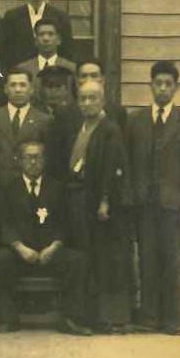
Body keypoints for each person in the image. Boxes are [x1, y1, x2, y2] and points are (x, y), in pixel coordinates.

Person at [126, 61, 180, 337]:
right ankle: (149, 317)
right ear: (150, 86)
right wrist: (130, 198)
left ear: (176, 88)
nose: (162, 89)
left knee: (171, 260)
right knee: (147, 258)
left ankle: (172, 320)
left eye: (168, 84)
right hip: (144, 202)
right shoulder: (136, 120)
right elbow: (129, 163)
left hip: (173, 203)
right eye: (158, 83)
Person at [0, 141, 91, 335]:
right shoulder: (8, 188)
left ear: (44, 160)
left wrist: (54, 246)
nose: (33, 162)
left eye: (37, 157)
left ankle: (70, 319)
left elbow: (65, 222)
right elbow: (4, 223)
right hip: (21, 252)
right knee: (1, 259)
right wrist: (20, 247)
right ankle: (8, 318)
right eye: (28, 157)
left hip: (49, 251)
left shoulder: (57, 187)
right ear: (20, 161)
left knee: (77, 260)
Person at [63, 82, 131, 334]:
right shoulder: (80, 127)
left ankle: (99, 317)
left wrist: (105, 200)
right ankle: (80, 315)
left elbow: (113, 168)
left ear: (102, 101)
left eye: (92, 98)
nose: (87, 103)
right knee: (83, 256)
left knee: (98, 258)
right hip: (78, 199)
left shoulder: (109, 130)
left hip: (97, 201)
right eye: (83, 99)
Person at [0, 0, 75, 70]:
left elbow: (67, 50)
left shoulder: (60, 16)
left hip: (53, 71)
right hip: (19, 71)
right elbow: (5, 50)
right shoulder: (12, 16)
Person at [0, 70, 50, 187]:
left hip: (30, 184)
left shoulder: (44, 120)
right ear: (5, 89)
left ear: (31, 89)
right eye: (13, 85)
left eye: (23, 85)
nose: (18, 90)